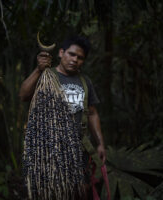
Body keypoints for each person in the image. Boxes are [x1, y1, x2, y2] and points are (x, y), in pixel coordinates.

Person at [19, 36, 106, 199]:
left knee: (79, 191)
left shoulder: (85, 81)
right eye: (71, 54)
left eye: (80, 58)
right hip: (50, 150)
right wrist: (38, 69)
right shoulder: (46, 76)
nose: (75, 60)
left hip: (79, 150)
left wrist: (100, 143)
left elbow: (92, 113)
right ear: (61, 53)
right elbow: (23, 95)